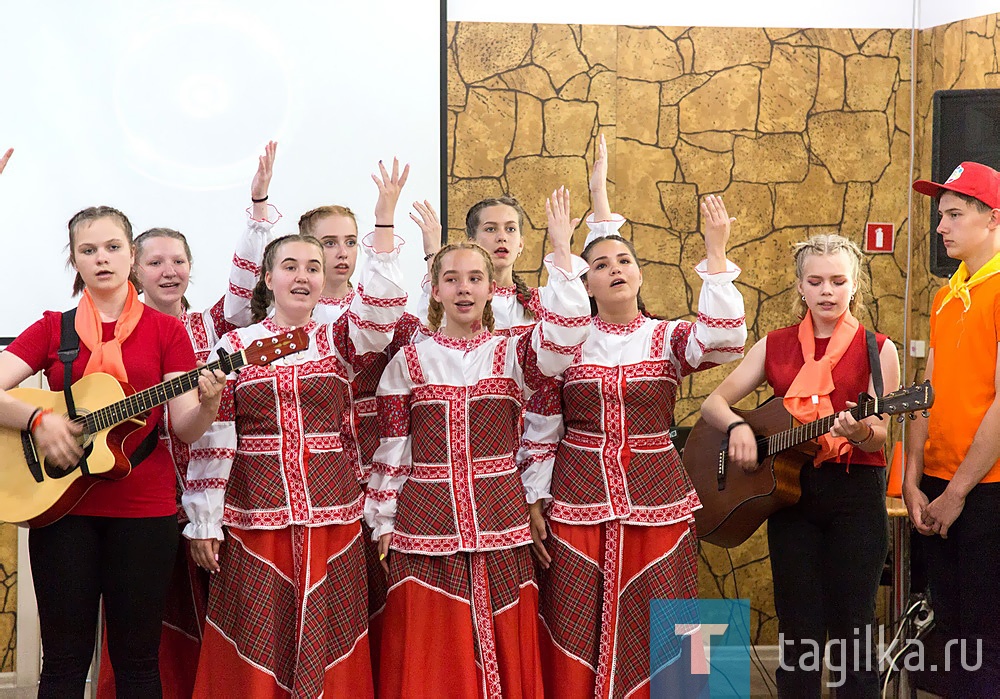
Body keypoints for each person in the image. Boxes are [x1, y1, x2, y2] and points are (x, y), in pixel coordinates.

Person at [525, 137, 747, 699]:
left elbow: (723, 342)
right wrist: (536, 498)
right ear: (585, 282)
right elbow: (545, 424)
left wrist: (716, 255)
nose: (615, 269)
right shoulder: (565, 344)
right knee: (578, 616)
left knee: (671, 613)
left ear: (640, 273)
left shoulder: (665, 336)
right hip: (579, 494)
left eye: (625, 260)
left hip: (658, 496)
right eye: (600, 264)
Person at [364, 187, 590, 698]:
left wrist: (560, 252)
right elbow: (393, 446)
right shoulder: (409, 361)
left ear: (492, 289)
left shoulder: (514, 351)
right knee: (431, 643)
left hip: (499, 515)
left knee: (504, 637)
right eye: (451, 279)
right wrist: (382, 517)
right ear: (435, 290)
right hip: (425, 518)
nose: (464, 288)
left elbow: (566, 339)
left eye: (475, 279)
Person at [183, 182, 407, 697]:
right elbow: (215, 435)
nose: (304, 276)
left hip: (333, 513)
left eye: (313, 267)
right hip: (255, 515)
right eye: (291, 266)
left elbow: (382, 312)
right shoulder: (234, 345)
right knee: (257, 638)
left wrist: (384, 222)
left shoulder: (338, 338)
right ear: (268, 277)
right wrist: (205, 520)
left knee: (334, 642)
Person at [0, 205, 226, 698]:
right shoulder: (52, 328)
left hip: (144, 510)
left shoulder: (167, 331)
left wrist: (208, 403)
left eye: (112, 247)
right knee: (63, 660)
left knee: (137, 661)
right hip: (59, 511)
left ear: (130, 255)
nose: (101, 259)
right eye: (88, 250)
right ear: (74, 262)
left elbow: (186, 429)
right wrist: (38, 419)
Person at [95, 140, 278, 699]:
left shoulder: (215, 328)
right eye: (155, 261)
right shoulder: (109, 334)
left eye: (178, 261)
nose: (168, 270)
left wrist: (258, 206)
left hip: (210, 500)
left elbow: (249, 275)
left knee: (206, 621)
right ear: (133, 270)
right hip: (132, 493)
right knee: (140, 630)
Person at [702, 233, 899, 698]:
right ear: (800, 287)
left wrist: (859, 432)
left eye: (837, 281)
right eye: (816, 281)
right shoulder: (775, 345)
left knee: (854, 626)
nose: (827, 291)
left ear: (855, 286)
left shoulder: (878, 348)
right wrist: (739, 429)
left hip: (855, 493)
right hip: (788, 496)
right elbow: (715, 403)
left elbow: (882, 431)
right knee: (798, 625)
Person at [905, 162, 1000, 697]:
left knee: (987, 644)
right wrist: (915, 481)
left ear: (993, 218)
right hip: (940, 490)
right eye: (940, 215)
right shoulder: (946, 296)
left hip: (985, 490)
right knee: (951, 641)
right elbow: (925, 394)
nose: (941, 226)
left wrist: (958, 491)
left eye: (955, 214)